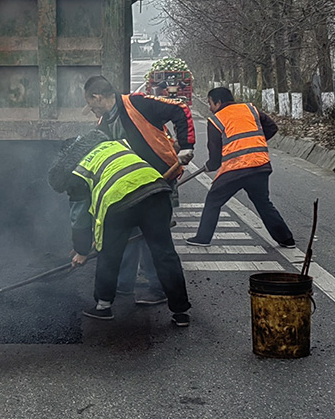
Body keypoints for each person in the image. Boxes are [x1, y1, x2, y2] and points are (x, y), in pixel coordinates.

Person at [52, 134, 191, 326]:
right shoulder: (114, 146)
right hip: (157, 193)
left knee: (109, 254)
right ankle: (181, 311)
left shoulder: (78, 171)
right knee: (164, 253)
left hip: (119, 203)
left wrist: (82, 250)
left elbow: (80, 219)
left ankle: (103, 306)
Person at [82, 75, 195, 305]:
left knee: (151, 237)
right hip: (129, 188)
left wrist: (186, 145)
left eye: (90, 102)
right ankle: (125, 282)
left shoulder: (137, 104)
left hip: (159, 180)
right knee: (130, 232)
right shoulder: (103, 125)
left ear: (97, 97)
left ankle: (158, 288)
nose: (90, 108)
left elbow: (180, 109)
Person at [186, 87, 294, 248]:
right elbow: (272, 128)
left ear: (218, 102)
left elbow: (215, 152)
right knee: (263, 203)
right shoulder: (250, 109)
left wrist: (211, 165)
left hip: (235, 168)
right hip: (259, 165)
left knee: (213, 200)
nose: (209, 107)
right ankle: (286, 239)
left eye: (210, 103)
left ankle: (203, 238)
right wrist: (256, 142)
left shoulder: (216, 120)